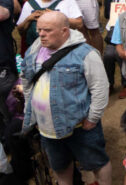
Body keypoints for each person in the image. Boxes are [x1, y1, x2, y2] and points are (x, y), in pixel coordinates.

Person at [20, 11, 111, 185]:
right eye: (39, 30)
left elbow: (100, 88)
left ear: (64, 31)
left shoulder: (86, 53)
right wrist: (28, 109)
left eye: (47, 30)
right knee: (60, 168)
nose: (41, 35)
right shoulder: (35, 48)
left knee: (96, 163)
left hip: (79, 127)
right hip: (47, 129)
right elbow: (26, 78)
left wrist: (92, 118)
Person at [17, 0, 83, 49]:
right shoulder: (29, 4)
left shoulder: (67, 0)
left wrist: (56, 16)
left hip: (63, 48)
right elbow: (20, 31)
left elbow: (79, 24)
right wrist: (29, 19)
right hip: (35, 49)